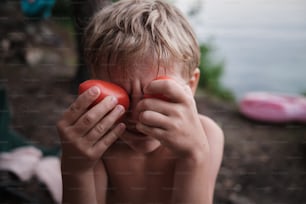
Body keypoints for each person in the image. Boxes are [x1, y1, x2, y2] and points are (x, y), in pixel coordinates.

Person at [56, 0, 224, 203]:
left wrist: (195, 156)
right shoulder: (97, 143)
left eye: (156, 97)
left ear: (191, 86)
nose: (137, 117)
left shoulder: (207, 136)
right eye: (120, 97)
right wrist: (76, 169)